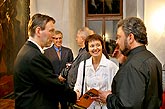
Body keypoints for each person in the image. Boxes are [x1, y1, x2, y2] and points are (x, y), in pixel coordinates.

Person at [14, 13, 77, 109]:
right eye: (51, 31)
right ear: (38, 31)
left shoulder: (28, 50)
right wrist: (74, 95)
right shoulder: (34, 56)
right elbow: (53, 86)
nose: (53, 36)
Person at [98, 17, 163, 109]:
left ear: (130, 38)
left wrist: (108, 98)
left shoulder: (132, 65)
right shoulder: (153, 59)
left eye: (119, 37)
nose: (117, 41)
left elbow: (128, 106)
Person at [74, 34, 119, 109]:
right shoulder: (83, 65)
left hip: (105, 106)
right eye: (92, 46)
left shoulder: (111, 66)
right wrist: (75, 94)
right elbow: (78, 86)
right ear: (88, 49)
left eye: (98, 45)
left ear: (102, 46)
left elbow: (117, 89)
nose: (95, 48)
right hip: (88, 106)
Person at [44, 30, 74, 109]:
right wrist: (57, 78)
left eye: (60, 38)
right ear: (52, 39)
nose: (58, 40)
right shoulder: (46, 53)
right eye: (56, 38)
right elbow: (46, 69)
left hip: (65, 84)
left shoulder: (68, 51)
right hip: (52, 83)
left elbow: (71, 67)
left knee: (65, 106)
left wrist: (64, 77)